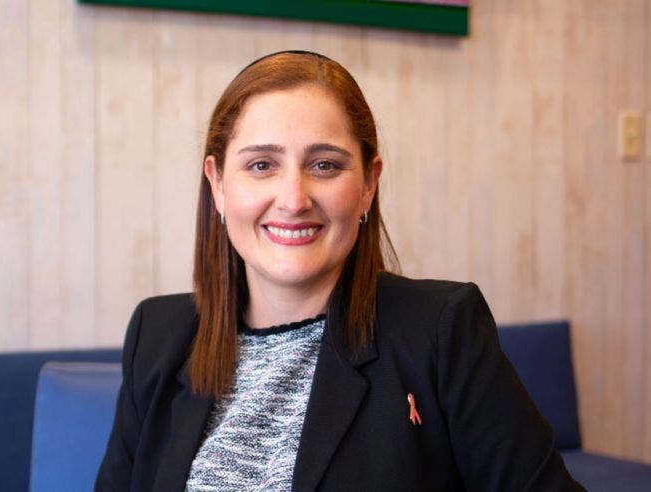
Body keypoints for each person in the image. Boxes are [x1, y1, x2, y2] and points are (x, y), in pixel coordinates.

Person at [96, 50, 582, 491]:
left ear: (369, 184)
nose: (293, 199)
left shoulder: (440, 331)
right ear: (218, 184)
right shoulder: (157, 336)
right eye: (262, 165)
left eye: (325, 165)